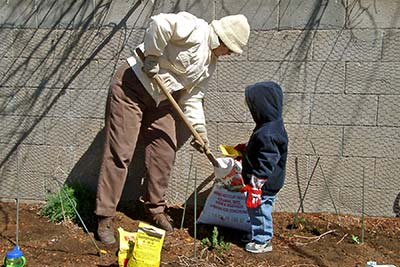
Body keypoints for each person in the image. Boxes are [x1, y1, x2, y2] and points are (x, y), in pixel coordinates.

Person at [95, 11, 250, 244]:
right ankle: (104, 216)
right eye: (229, 49)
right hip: (133, 87)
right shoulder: (194, 28)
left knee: (164, 151)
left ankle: (154, 209)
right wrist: (152, 56)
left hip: (163, 100)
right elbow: (160, 23)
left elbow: (193, 99)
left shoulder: (210, 65)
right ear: (222, 40)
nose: (228, 54)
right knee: (121, 152)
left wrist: (200, 131)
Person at [238, 81, 288, 253]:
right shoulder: (268, 127)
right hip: (261, 182)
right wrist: (246, 150)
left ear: (262, 105)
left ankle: (262, 240)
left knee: (260, 209)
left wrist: (256, 186)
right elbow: (264, 150)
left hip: (263, 184)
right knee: (255, 210)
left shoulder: (269, 133)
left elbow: (267, 160)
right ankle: (255, 232)